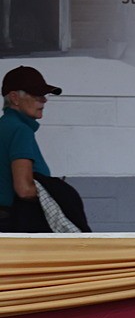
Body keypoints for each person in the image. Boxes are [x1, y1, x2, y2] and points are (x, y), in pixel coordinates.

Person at [0, 64, 83, 232]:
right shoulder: (20, 130)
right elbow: (24, 189)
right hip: (12, 222)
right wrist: (57, 192)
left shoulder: (4, 126)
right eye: (37, 95)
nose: (44, 100)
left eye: (44, 95)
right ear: (15, 98)